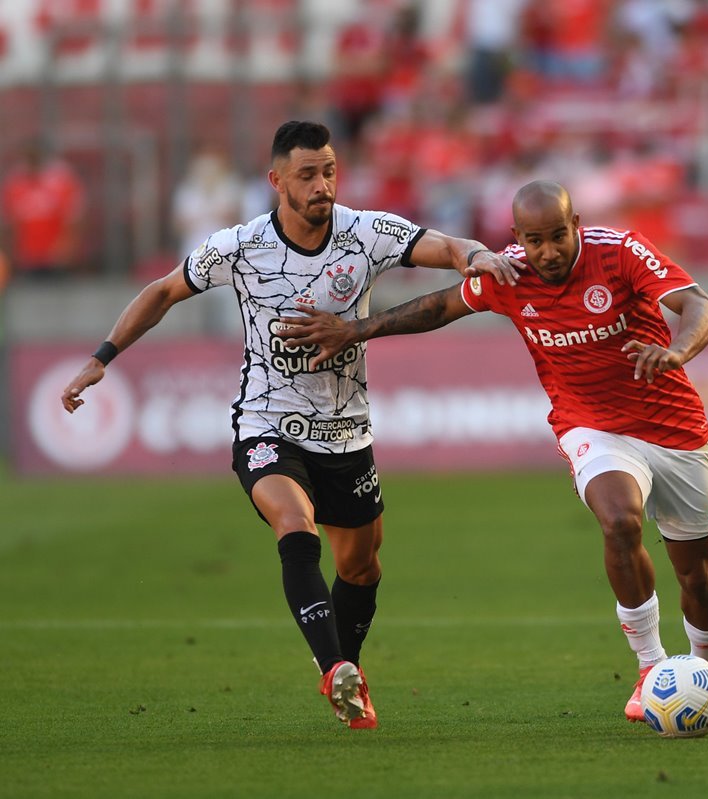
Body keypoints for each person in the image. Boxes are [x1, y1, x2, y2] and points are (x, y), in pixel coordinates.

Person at [60, 120, 523, 730]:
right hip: (267, 424)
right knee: (294, 521)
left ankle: (346, 675)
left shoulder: (367, 234)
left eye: (329, 171)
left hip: (347, 432)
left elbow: (447, 248)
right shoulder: (241, 246)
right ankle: (332, 667)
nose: (322, 184)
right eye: (307, 174)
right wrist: (101, 358)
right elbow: (164, 290)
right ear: (277, 180)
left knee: (362, 567)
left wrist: (480, 254)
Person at [276, 180, 708, 723]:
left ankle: (704, 675)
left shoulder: (620, 252)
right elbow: (439, 307)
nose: (548, 251)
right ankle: (651, 668)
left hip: (673, 427)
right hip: (591, 426)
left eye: (559, 236)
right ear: (518, 238)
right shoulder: (509, 273)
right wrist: (356, 330)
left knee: (697, 575)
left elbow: (702, 306)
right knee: (620, 521)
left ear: (576, 223)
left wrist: (676, 350)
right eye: (535, 240)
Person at [0, 141, 85, 280]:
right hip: (26, 257)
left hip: (55, 257)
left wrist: (67, 249)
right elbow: (9, 223)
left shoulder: (62, 180)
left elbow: (75, 218)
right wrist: (11, 254)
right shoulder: (15, 183)